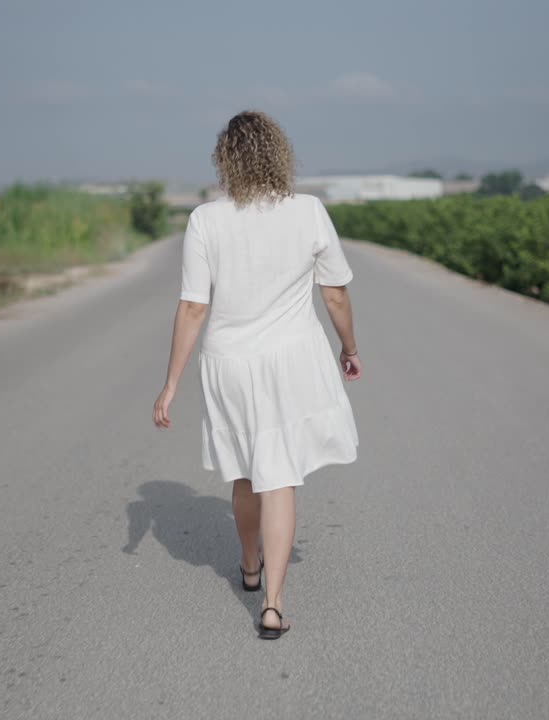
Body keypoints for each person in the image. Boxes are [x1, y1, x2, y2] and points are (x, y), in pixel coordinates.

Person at [151, 110, 362, 639]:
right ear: (278, 154)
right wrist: (350, 347)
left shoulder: (205, 219)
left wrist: (172, 382)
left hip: (229, 362)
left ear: (226, 161)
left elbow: (194, 307)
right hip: (291, 360)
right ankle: (272, 604)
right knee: (281, 475)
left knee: (247, 472)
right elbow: (334, 292)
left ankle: (249, 566)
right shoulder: (309, 211)